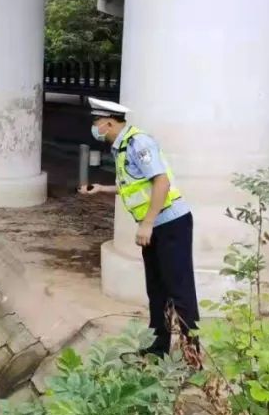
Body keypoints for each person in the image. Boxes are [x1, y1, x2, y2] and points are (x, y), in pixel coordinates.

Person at [79, 97, 199, 357]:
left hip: (170, 224)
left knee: (180, 292)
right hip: (155, 226)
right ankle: (158, 350)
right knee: (156, 290)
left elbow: (161, 182)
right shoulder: (121, 148)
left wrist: (147, 224)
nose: (95, 127)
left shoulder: (138, 143)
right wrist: (102, 189)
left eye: (97, 122)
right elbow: (136, 186)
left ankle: (193, 360)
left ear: (109, 123)